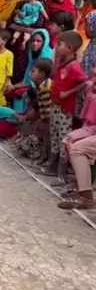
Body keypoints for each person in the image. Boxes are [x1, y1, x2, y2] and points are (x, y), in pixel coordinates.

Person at [45, 30, 87, 179]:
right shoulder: (61, 62)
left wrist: (69, 92)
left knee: (63, 140)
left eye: (59, 44)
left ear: (69, 47)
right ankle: (51, 168)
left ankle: (61, 175)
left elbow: (85, 83)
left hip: (65, 109)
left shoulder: (74, 66)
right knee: (54, 136)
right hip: (56, 105)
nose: (56, 47)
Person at [58, 71, 96, 210]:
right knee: (71, 141)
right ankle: (83, 190)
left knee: (78, 149)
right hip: (93, 129)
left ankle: (86, 196)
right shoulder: (91, 88)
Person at [13, 58, 53, 163]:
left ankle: (46, 157)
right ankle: (45, 156)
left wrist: (44, 120)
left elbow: (47, 107)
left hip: (48, 119)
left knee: (47, 138)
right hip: (44, 119)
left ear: (42, 74)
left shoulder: (45, 87)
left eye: (33, 71)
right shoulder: (39, 86)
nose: (30, 73)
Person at [7, 0, 45, 82]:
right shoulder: (20, 3)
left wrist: (21, 28)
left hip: (32, 45)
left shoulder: (41, 4)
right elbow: (10, 23)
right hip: (16, 44)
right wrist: (27, 29)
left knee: (26, 75)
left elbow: (41, 28)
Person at [6, 28, 53, 114]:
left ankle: (23, 116)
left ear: (44, 42)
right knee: (16, 92)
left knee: (22, 95)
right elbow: (28, 78)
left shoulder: (48, 57)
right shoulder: (32, 54)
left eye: (39, 41)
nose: (35, 43)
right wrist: (14, 86)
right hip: (33, 86)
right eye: (33, 41)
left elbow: (43, 82)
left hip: (44, 90)